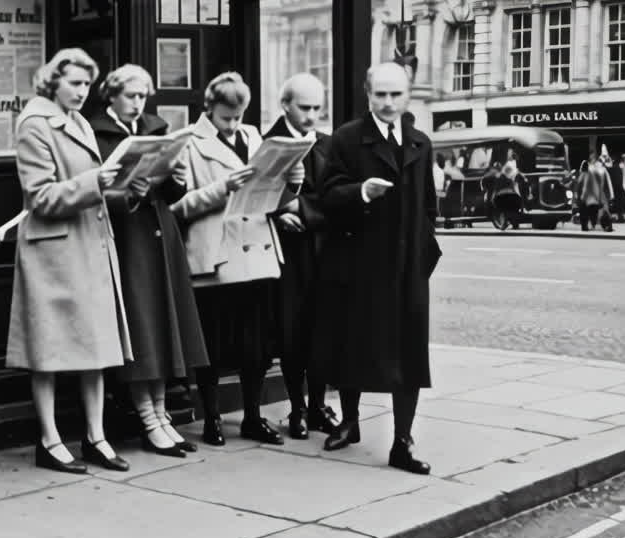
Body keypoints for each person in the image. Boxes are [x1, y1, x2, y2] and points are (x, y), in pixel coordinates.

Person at [6, 48, 132, 474]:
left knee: (93, 344)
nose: (82, 92)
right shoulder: (35, 124)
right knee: (49, 348)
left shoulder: (76, 121)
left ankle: (95, 435)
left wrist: (127, 181)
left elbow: (88, 186)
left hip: (86, 242)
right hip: (54, 249)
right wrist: (94, 182)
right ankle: (49, 438)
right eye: (74, 84)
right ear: (51, 82)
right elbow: (39, 195)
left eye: (86, 85)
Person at [315, 62, 440, 475]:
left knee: (409, 356)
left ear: (407, 96)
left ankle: (402, 442)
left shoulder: (420, 142)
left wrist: (425, 252)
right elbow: (326, 196)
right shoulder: (347, 140)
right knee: (355, 346)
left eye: (395, 95)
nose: (387, 103)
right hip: (360, 265)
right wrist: (361, 193)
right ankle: (350, 423)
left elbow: (428, 206)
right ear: (368, 95)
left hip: (407, 268)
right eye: (380, 95)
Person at [87, 64, 209, 458]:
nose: (138, 104)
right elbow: (98, 190)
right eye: (131, 96)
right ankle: (147, 417)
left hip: (160, 234)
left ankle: (162, 414)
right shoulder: (97, 132)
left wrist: (175, 173)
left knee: (161, 325)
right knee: (141, 326)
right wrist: (131, 190)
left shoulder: (155, 128)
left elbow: (174, 194)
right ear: (112, 95)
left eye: (143, 96)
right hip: (126, 237)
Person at [169, 72, 297, 447]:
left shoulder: (255, 137)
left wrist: (292, 183)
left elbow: (272, 194)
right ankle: (211, 418)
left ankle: (253, 416)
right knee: (213, 344)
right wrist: (221, 189)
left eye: (238, 116)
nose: (234, 124)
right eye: (226, 117)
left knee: (256, 346)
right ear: (209, 108)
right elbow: (177, 206)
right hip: (217, 255)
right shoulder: (189, 143)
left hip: (256, 249)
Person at [262, 72, 340, 440]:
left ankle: (318, 405)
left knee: (323, 331)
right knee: (294, 333)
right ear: (285, 105)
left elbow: (338, 198)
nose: (311, 115)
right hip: (289, 254)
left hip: (323, 249)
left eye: (317, 108)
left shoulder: (328, 144)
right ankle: (297, 409)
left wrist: (301, 207)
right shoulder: (269, 144)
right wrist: (280, 211)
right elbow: (257, 194)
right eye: (304, 107)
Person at [574, 152, 614, 232]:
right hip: (592, 196)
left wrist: (580, 196)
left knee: (591, 211)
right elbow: (583, 185)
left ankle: (591, 225)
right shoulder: (590, 172)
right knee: (594, 211)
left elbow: (582, 185)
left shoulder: (595, 172)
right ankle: (596, 225)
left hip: (592, 196)